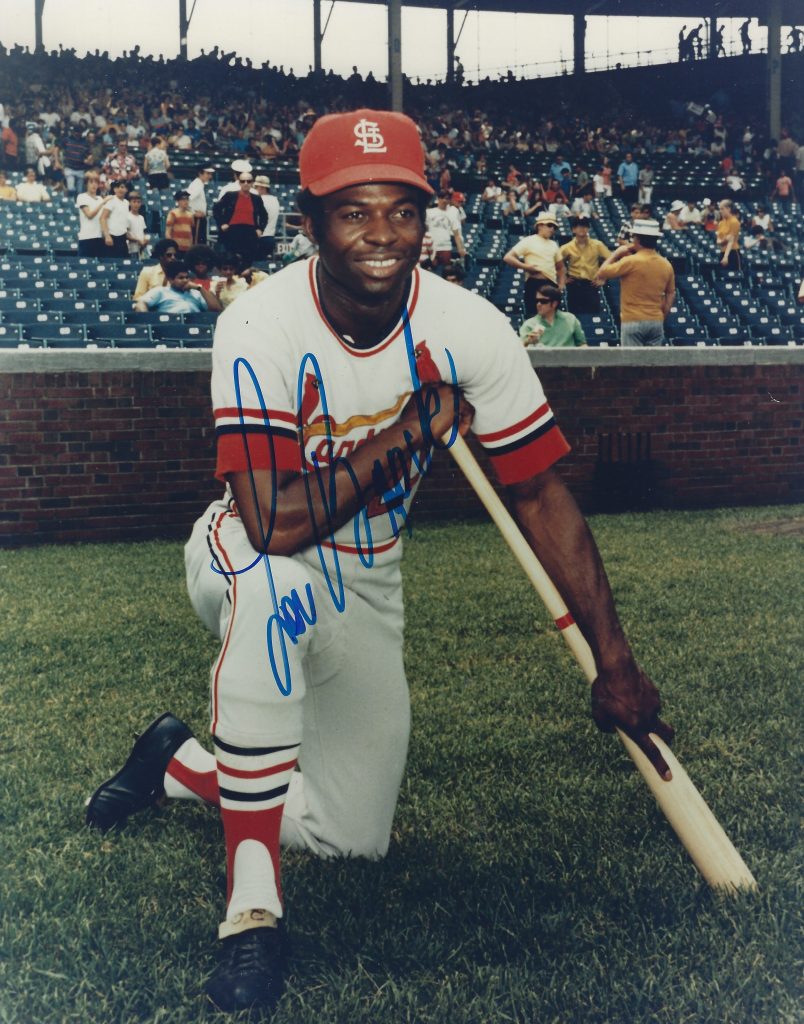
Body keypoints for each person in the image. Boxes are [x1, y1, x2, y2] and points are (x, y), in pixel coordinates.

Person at [85, 107, 673, 1018]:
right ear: (309, 220)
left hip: (368, 578)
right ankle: (252, 909)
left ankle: (179, 765)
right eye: (352, 210)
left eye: (401, 209)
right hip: (243, 547)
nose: (381, 234)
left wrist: (615, 658)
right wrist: (408, 430)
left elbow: (541, 494)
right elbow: (273, 521)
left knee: (351, 839)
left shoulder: (469, 329)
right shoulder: (259, 325)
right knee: (271, 589)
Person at [595, 218, 675, 346]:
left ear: (637, 239)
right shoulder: (666, 264)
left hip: (632, 320)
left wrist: (617, 253)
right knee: (653, 365)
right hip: (656, 320)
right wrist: (662, 314)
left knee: (631, 364)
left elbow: (601, 272)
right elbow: (670, 293)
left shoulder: (631, 261)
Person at [503, 212, 566, 317]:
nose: (552, 229)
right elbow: (508, 257)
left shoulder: (554, 244)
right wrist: (526, 267)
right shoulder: (529, 241)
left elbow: (561, 268)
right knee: (533, 316)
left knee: (551, 317)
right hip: (533, 284)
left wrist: (561, 285)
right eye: (549, 225)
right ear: (540, 225)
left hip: (551, 284)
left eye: (554, 227)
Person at [212, 167, 267, 264]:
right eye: (243, 181)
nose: (246, 183)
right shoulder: (230, 195)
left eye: (248, 181)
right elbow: (216, 208)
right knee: (231, 259)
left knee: (248, 259)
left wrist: (260, 229)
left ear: (252, 183)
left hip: (250, 232)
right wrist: (222, 223)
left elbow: (264, 215)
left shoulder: (256, 198)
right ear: (239, 182)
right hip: (232, 231)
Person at [559, 216, 611, 314]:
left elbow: (611, 260)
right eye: (578, 226)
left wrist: (604, 278)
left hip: (591, 286)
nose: (582, 229)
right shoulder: (567, 247)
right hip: (574, 286)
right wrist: (563, 278)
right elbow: (556, 263)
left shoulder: (597, 245)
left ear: (588, 228)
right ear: (573, 229)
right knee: (575, 317)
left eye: (585, 226)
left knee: (593, 315)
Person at [132, 258, 222, 314]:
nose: (185, 280)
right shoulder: (161, 291)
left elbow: (216, 310)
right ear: (170, 279)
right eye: (181, 278)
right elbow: (140, 304)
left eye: (187, 277)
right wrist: (148, 320)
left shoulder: (196, 293)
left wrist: (200, 288)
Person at [518, 284, 587, 347]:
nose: (538, 304)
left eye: (543, 301)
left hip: (569, 359)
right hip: (543, 359)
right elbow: (521, 350)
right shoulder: (529, 325)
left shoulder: (571, 319)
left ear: (554, 304)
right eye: (537, 301)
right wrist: (528, 342)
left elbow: (582, 344)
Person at [425, 190, 466, 270]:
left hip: (446, 246)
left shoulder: (453, 212)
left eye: (447, 198)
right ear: (438, 199)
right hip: (431, 247)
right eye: (442, 198)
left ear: (449, 200)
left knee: (446, 271)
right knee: (430, 272)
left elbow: (456, 233)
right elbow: (424, 231)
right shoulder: (429, 212)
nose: (444, 200)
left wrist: (460, 249)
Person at [76, 170, 109, 256]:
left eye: (96, 182)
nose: (94, 185)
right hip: (86, 238)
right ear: (86, 184)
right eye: (91, 182)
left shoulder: (101, 199)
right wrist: (103, 203)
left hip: (99, 238)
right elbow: (89, 215)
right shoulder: (82, 197)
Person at [99, 179, 130, 256]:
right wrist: (107, 236)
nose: (120, 189)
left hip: (122, 237)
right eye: (117, 187)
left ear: (126, 189)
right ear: (114, 189)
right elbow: (103, 218)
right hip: (111, 237)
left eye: (122, 187)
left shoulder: (127, 203)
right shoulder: (111, 200)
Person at [254, 174, 281, 258]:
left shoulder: (259, 200)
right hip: (270, 237)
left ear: (262, 188)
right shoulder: (275, 199)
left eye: (256, 187)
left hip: (259, 238)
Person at [188, 166, 215, 245]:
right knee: (196, 242)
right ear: (200, 173)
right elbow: (187, 199)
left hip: (200, 217)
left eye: (211, 174)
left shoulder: (200, 184)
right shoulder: (197, 184)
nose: (210, 176)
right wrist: (192, 212)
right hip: (197, 218)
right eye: (208, 173)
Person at [716, 199, 741, 270]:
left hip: (732, 252)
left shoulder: (734, 221)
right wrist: (724, 240)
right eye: (720, 209)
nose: (720, 211)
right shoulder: (721, 223)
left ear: (728, 209)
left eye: (722, 209)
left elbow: (730, 241)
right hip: (722, 252)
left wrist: (726, 257)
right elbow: (718, 240)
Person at [126, 191, 151, 258]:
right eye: (134, 202)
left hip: (142, 249)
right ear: (130, 203)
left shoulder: (141, 218)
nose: (136, 204)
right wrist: (138, 240)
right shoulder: (127, 216)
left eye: (138, 202)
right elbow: (126, 235)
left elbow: (143, 232)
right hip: (132, 249)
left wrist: (145, 239)